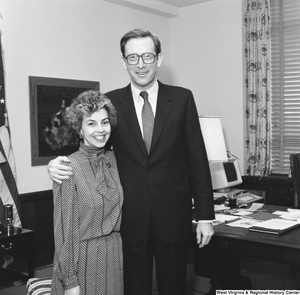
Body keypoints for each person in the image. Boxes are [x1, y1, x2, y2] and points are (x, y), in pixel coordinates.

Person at [48, 28, 215, 295]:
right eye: (133, 57)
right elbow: (93, 145)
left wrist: (206, 216)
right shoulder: (112, 101)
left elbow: (197, 160)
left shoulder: (183, 98)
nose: (141, 64)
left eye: (147, 56)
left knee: (174, 288)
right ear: (123, 61)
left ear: (158, 59)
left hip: (173, 218)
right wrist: (54, 165)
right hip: (128, 221)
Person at [51, 90, 124, 295]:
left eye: (105, 122)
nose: (100, 130)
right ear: (80, 130)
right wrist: (70, 281)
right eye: (91, 123)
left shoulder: (116, 161)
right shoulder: (68, 167)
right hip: (82, 261)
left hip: (114, 256)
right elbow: (64, 232)